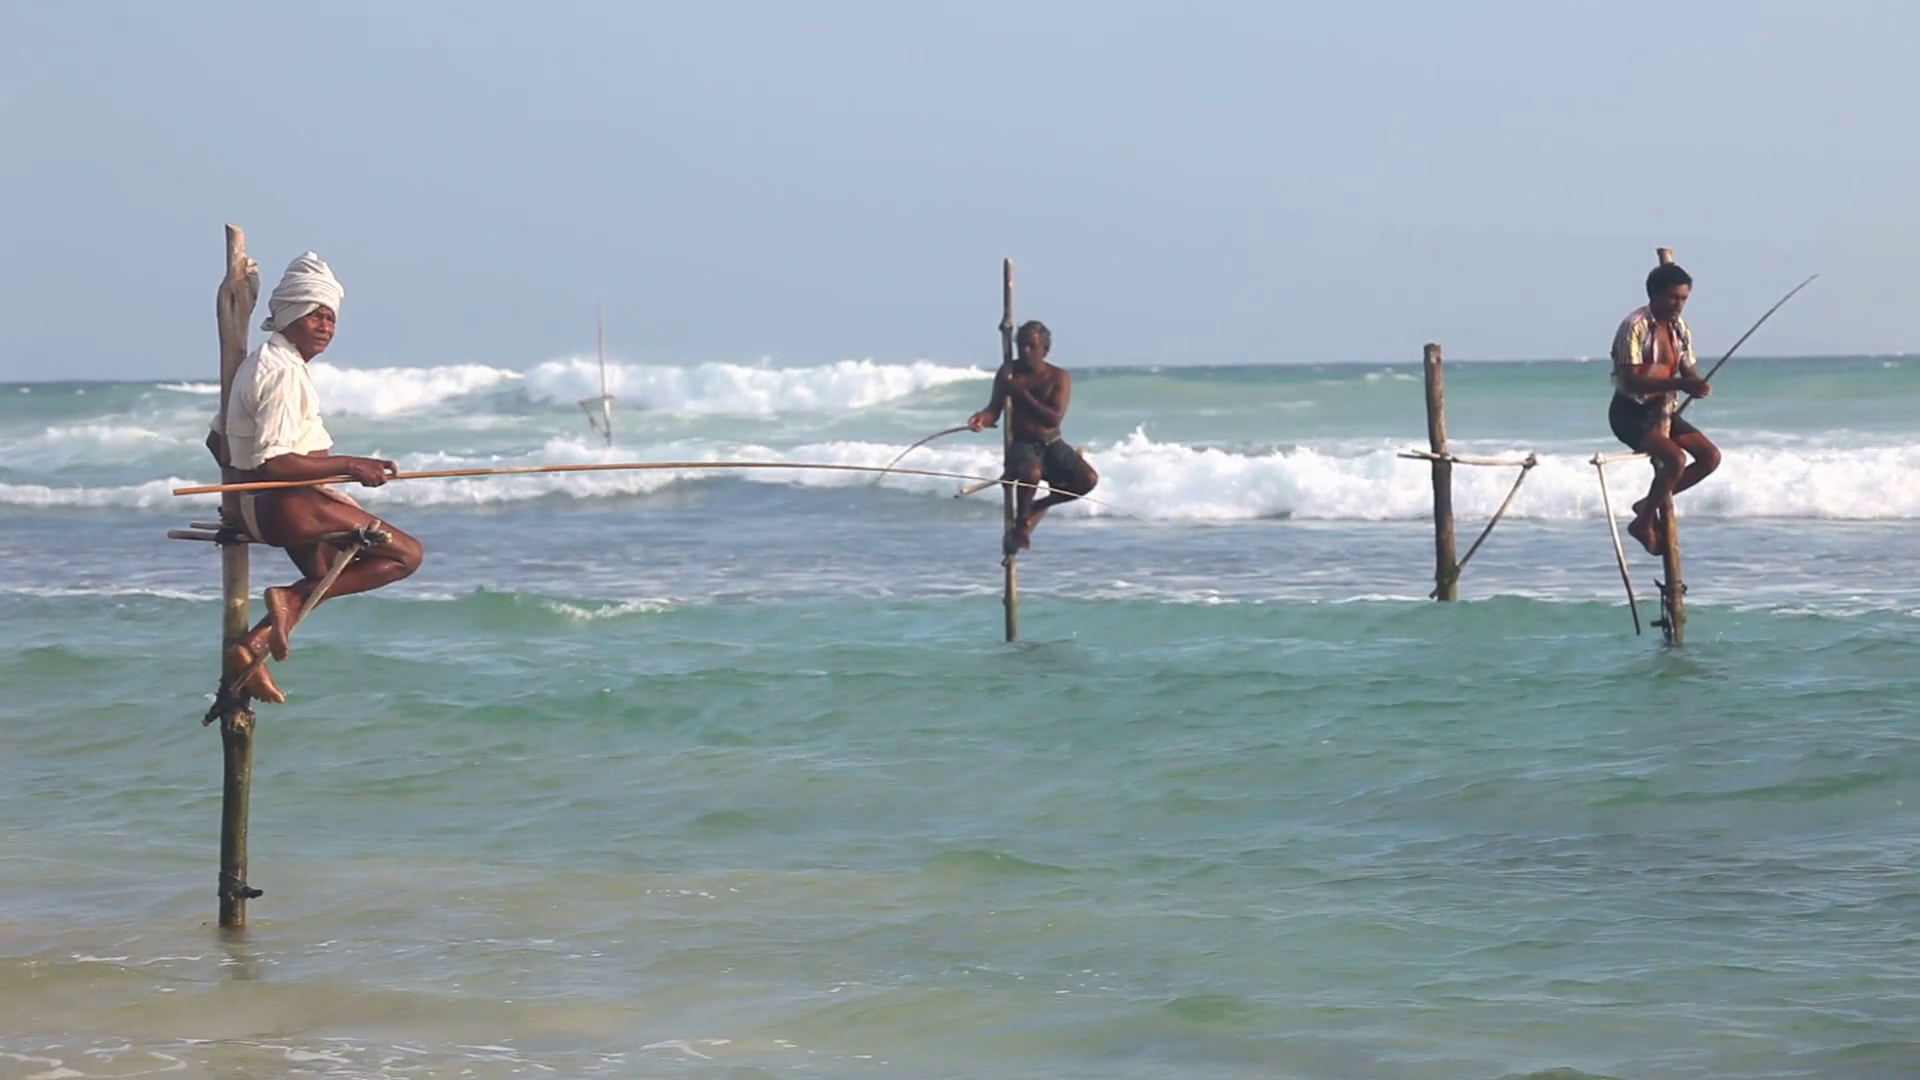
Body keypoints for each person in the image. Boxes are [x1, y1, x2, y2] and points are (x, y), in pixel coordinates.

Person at [206, 252, 425, 703]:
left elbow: (217, 442)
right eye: (314, 315)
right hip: (288, 508)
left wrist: (241, 486)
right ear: (289, 315)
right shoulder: (282, 373)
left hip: (265, 510)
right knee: (406, 555)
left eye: (331, 318)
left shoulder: (264, 362)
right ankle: (284, 601)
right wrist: (351, 466)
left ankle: (252, 645)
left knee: (324, 577)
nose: (325, 326)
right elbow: (275, 463)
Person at [1609, 260, 1721, 556]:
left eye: (1684, 298)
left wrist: (1696, 385)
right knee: (1675, 459)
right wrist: (1681, 383)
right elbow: (1630, 380)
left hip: (1664, 412)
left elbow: (1688, 370)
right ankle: (1644, 523)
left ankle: (1647, 504)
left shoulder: (1679, 328)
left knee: (1710, 457)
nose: (1679, 304)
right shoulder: (1634, 326)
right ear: (1655, 295)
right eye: (1673, 297)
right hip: (1631, 414)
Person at [966, 320, 1099, 556]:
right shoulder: (1009, 373)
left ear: (1044, 349)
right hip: (1023, 445)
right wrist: (981, 419)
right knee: (1031, 473)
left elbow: (1053, 418)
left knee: (1088, 479)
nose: (1025, 351)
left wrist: (1020, 393)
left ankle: (1038, 506)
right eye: (1021, 346)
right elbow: (994, 408)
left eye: (1031, 346)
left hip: (1052, 443)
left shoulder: (1059, 377)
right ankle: (1020, 524)